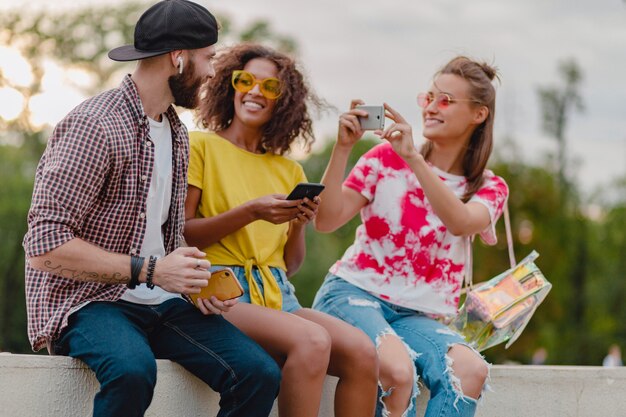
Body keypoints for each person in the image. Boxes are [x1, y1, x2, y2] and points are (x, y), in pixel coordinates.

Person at [22, 2, 280, 417]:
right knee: (132, 371)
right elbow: (44, 245)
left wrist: (192, 283)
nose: (213, 71)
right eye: (208, 58)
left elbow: (162, 237)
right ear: (178, 58)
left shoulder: (177, 133)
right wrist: (152, 270)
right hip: (87, 301)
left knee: (258, 373)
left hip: (159, 300)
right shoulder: (95, 125)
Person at [184, 43, 379, 417]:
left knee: (361, 351)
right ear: (230, 85)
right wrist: (252, 211)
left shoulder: (290, 171)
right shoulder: (200, 146)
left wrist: (298, 226)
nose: (256, 92)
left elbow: (288, 266)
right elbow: (185, 233)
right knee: (312, 341)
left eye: (270, 87)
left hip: (277, 292)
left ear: (282, 101)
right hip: (220, 289)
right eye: (246, 81)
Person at [312, 56, 509, 417]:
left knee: (470, 370)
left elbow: (461, 222)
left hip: (419, 315)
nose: (431, 107)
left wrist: (415, 160)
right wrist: (342, 148)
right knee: (397, 371)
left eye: (446, 100)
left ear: (479, 115)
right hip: (353, 293)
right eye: (428, 98)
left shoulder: (489, 187)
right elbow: (325, 220)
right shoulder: (384, 159)